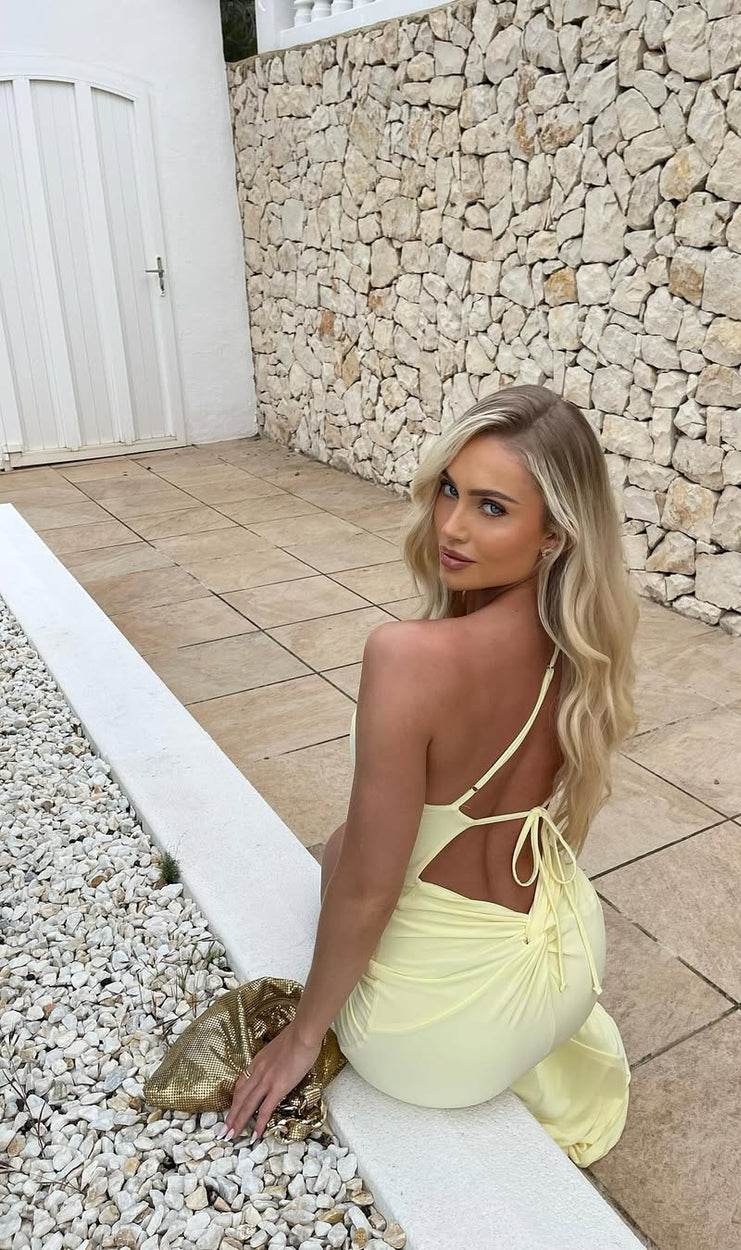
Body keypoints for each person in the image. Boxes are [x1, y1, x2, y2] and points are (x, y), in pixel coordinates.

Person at [223, 384, 638, 1166]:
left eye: (491, 507)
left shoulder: (408, 657)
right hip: (567, 963)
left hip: (442, 1046)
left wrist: (304, 1036)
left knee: (346, 856)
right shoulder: (579, 637)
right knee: (350, 842)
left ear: (552, 534)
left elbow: (368, 889)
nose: (450, 525)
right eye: (450, 489)